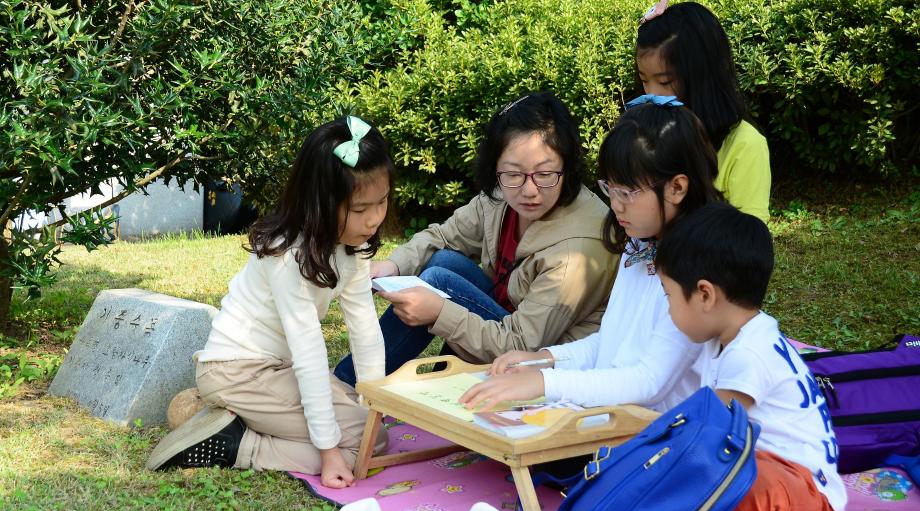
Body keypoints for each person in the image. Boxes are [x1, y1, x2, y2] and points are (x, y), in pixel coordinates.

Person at [146, 116, 391, 489]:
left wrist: (374, 404)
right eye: (360, 210)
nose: (374, 219)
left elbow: (365, 330)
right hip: (236, 372)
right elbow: (308, 349)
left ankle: (229, 419)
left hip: (278, 371)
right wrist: (327, 453)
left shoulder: (353, 248)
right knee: (362, 446)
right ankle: (238, 444)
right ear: (321, 203)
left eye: (383, 202)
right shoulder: (286, 254)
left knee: (374, 431)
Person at [333, 91, 617, 387]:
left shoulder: (578, 250)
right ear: (495, 168)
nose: (529, 190)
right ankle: (363, 383)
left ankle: (347, 385)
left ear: (567, 167)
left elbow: (523, 344)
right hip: (509, 320)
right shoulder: (500, 197)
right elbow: (443, 236)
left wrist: (439, 312)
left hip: (545, 359)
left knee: (440, 282)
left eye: (545, 173)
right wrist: (393, 265)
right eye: (513, 173)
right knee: (442, 261)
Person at [459, 97, 719, 413]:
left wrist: (544, 382)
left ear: (677, 188)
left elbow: (649, 382)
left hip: (660, 436)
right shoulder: (639, 243)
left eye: (627, 193)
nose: (616, 205)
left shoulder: (697, 269)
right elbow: (608, 342)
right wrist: (545, 359)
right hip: (617, 418)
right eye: (611, 189)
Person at [654, 201, 846, 511]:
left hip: (807, 499)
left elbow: (707, 437)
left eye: (669, 296)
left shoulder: (749, 354)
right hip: (775, 489)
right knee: (720, 478)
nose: (668, 310)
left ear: (705, 296)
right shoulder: (722, 338)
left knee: (742, 481)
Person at [636, 0, 771, 222]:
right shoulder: (647, 137)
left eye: (665, 81)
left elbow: (749, 242)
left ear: (702, 78)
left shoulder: (744, 146)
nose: (652, 95)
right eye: (644, 80)